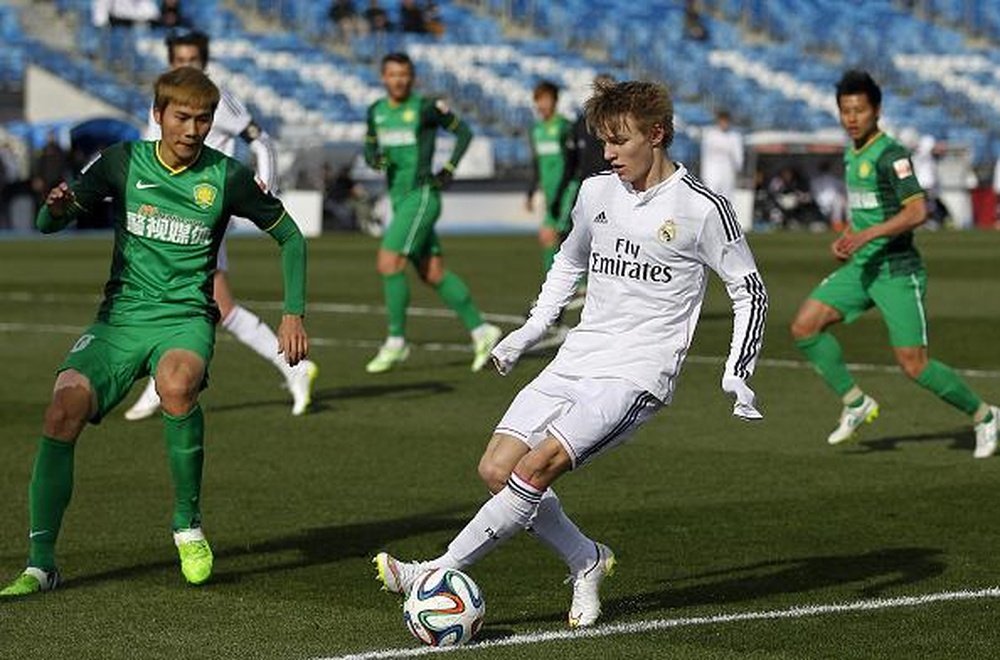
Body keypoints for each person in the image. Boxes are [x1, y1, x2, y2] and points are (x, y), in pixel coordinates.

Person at [373, 79, 768, 627]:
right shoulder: (595, 192)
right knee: (496, 469)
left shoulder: (703, 208)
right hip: (578, 357)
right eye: (602, 141)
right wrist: (531, 329)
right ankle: (587, 560)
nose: (607, 154)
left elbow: (749, 288)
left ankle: (435, 570)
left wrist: (736, 369)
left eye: (618, 141)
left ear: (656, 135)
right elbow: (568, 261)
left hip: (636, 374)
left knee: (536, 470)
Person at [0, 67, 309, 598]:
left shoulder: (227, 176)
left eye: (204, 119)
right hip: (120, 318)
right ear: (158, 115)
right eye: (183, 117)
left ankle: (188, 527)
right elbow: (54, 222)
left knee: (176, 384)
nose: (193, 129)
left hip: (185, 317)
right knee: (61, 410)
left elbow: (290, 235)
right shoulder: (123, 163)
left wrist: (293, 312)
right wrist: (55, 210)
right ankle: (41, 564)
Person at [789, 70, 998, 456]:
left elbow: (917, 211)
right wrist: (850, 234)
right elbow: (867, 211)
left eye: (859, 110)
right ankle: (855, 403)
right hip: (862, 268)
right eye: (845, 111)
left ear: (877, 110)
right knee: (805, 327)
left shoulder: (892, 155)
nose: (851, 118)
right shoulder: (852, 152)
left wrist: (867, 235)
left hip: (897, 271)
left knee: (913, 364)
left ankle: (985, 416)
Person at [124, 29, 318, 421]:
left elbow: (261, 141)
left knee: (203, 301)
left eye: (193, 60)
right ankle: (161, 383)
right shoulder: (161, 103)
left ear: (204, 62)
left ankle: (292, 366)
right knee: (198, 300)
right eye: (179, 60)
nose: (186, 66)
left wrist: (266, 188)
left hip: (202, 211)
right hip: (166, 213)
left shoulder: (219, 101)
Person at [363, 52, 500, 373]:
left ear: (412, 78)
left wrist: (449, 168)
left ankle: (396, 342)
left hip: (421, 196)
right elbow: (370, 149)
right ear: (383, 77)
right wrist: (375, 160)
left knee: (388, 262)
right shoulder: (375, 111)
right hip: (399, 200)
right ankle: (483, 331)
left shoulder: (425, 108)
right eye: (393, 74)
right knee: (432, 272)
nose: (399, 80)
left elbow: (463, 132)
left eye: (404, 74)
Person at [526, 80, 578, 276]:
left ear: (555, 101)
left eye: (545, 99)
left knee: (560, 237)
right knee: (548, 238)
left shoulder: (564, 127)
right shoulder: (536, 130)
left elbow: (573, 160)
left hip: (565, 191)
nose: (541, 105)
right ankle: (556, 288)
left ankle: (576, 285)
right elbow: (536, 164)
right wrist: (531, 192)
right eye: (538, 100)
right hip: (549, 194)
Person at [699, 109, 743, 207]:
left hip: (727, 173)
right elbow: (705, 155)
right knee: (710, 198)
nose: (724, 124)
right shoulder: (710, 135)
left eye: (726, 121)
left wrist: (738, 170)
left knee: (726, 199)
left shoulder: (735, 137)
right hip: (712, 171)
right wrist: (704, 173)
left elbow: (738, 158)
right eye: (722, 121)